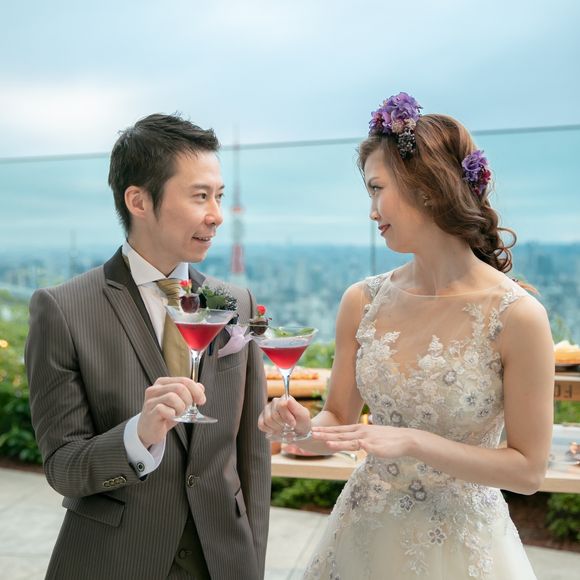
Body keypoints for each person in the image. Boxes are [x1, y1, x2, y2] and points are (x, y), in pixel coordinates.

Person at [259, 93, 554, 579]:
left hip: (464, 548)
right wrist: (301, 429)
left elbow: (528, 471)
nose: (372, 211)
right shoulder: (363, 300)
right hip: (363, 536)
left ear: (428, 187)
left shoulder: (517, 316)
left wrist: (414, 442)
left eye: (377, 189)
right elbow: (339, 421)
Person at [26, 114, 270, 580]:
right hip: (114, 562)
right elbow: (63, 467)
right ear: (138, 200)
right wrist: (138, 435)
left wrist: (250, 562)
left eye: (218, 196)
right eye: (200, 196)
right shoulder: (63, 309)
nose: (216, 215)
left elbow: (252, 459)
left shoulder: (235, 304)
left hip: (223, 561)